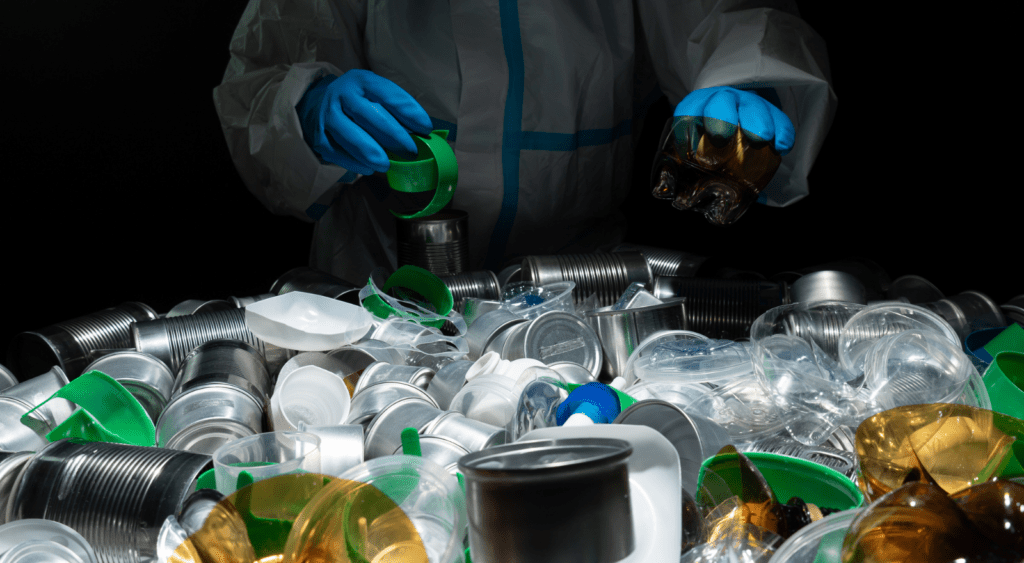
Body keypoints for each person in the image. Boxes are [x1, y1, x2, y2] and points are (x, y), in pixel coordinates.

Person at [213, 0, 835, 285]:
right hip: (374, 293)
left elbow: (731, 16)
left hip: (580, 291)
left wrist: (748, 83)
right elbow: (260, 76)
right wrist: (306, 106)